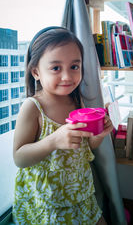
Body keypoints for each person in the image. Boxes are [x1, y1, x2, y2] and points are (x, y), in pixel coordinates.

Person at [12, 26, 113, 225]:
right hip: (47, 203)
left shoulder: (77, 103)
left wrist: (99, 134)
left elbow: (87, 146)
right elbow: (19, 158)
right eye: (56, 68)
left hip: (80, 193)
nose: (67, 76)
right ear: (36, 72)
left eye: (74, 67)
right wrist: (53, 141)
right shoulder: (33, 107)